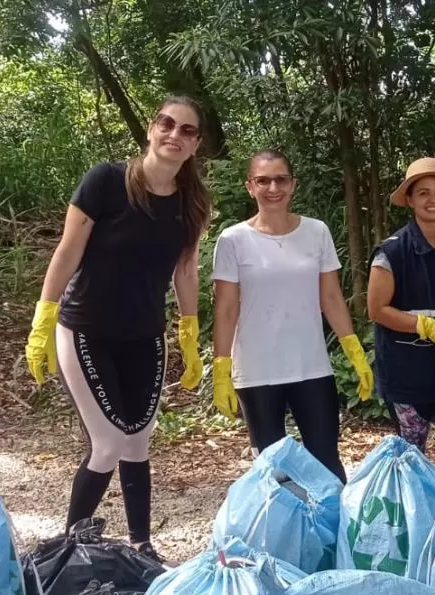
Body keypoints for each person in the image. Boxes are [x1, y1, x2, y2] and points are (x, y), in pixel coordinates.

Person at [24, 95, 210, 562]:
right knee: (106, 441)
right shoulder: (105, 181)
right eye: (167, 124)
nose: (174, 134)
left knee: (137, 441)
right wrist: (43, 319)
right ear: (151, 128)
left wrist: (190, 333)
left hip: (145, 334)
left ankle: (142, 543)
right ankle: (69, 549)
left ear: (196, 145)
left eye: (186, 130)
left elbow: (185, 269)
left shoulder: (192, 201)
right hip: (85, 328)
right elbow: (67, 252)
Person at [210, 149, 373, 483]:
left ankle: (334, 533)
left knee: (326, 460)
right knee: (272, 469)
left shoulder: (316, 232)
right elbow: (226, 308)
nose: (273, 187)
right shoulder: (233, 240)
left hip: (310, 366)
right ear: (249, 186)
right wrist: (221, 369)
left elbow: (330, 297)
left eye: (281, 179)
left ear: (293, 184)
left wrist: (355, 352)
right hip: (257, 371)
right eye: (263, 180)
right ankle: (280, 534)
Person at [367, 157, 435, 451]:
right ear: (410, 200)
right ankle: (410, 497)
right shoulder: (392, 252)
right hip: (406, 370)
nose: (433, 199)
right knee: (412, 451)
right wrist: (422, 325)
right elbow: (376, 310)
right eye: (423, 192)